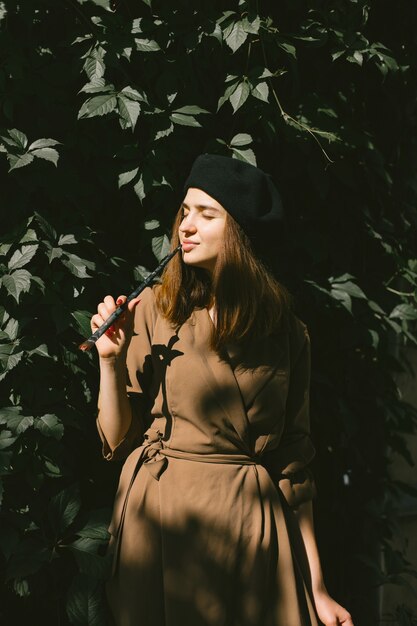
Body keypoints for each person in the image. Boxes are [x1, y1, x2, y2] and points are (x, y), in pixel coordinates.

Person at [91, 154, 354, 626]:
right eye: (185, 212)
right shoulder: (156, 308)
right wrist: (110, 364)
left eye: (206, 215)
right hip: (164, 525)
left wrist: (317, 587)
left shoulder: (286, 333)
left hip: (249, 532)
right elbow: (115, 439)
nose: (186, 227)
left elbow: (294, 463)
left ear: (239, 234)